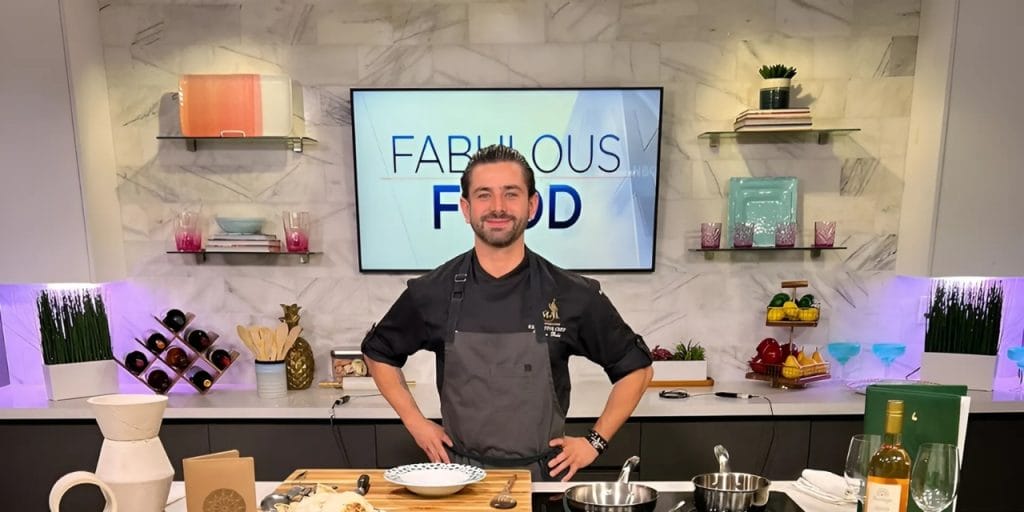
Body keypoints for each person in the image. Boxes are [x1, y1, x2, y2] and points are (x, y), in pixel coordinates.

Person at [361, 144, 653, 482]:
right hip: (459, 483)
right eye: (484, 195)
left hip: (541, 483)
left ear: (532, 206)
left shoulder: (572, 293)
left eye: (511, 194)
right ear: (465, 208)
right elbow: (378, 352)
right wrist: (416, 423)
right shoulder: (432, 291)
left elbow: (637, 370)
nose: (497, 207)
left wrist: (593, 442)